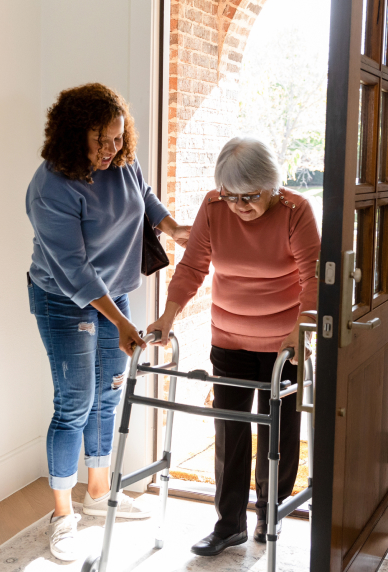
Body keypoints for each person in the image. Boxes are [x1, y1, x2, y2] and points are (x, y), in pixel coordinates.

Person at [26, 83, 190, 561]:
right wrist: (120, 322)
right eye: (101, 140)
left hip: (113, 293)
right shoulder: (51, 186)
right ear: (73, 135)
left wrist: (172, 227)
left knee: (109, 390)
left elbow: (145, 196)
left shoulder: (122, 162)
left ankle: (97, 494)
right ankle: (62, 515)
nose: (111, 149)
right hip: (63, 298)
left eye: (118, 138)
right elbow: (73, 269)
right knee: (74, 401)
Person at [147, 137, 320, 556]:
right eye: (231, 195)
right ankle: (228, 525)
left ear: (273, 186)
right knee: (229, 430)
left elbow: (313, 274)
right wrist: (168, 316)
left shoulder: (296, 212)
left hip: (284, 346)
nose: (239, 206)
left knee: (278, 430)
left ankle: (270, 516)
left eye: (249, 196)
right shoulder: (213, 207)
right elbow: (192, 266)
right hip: (229, 339)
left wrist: (303, 330)